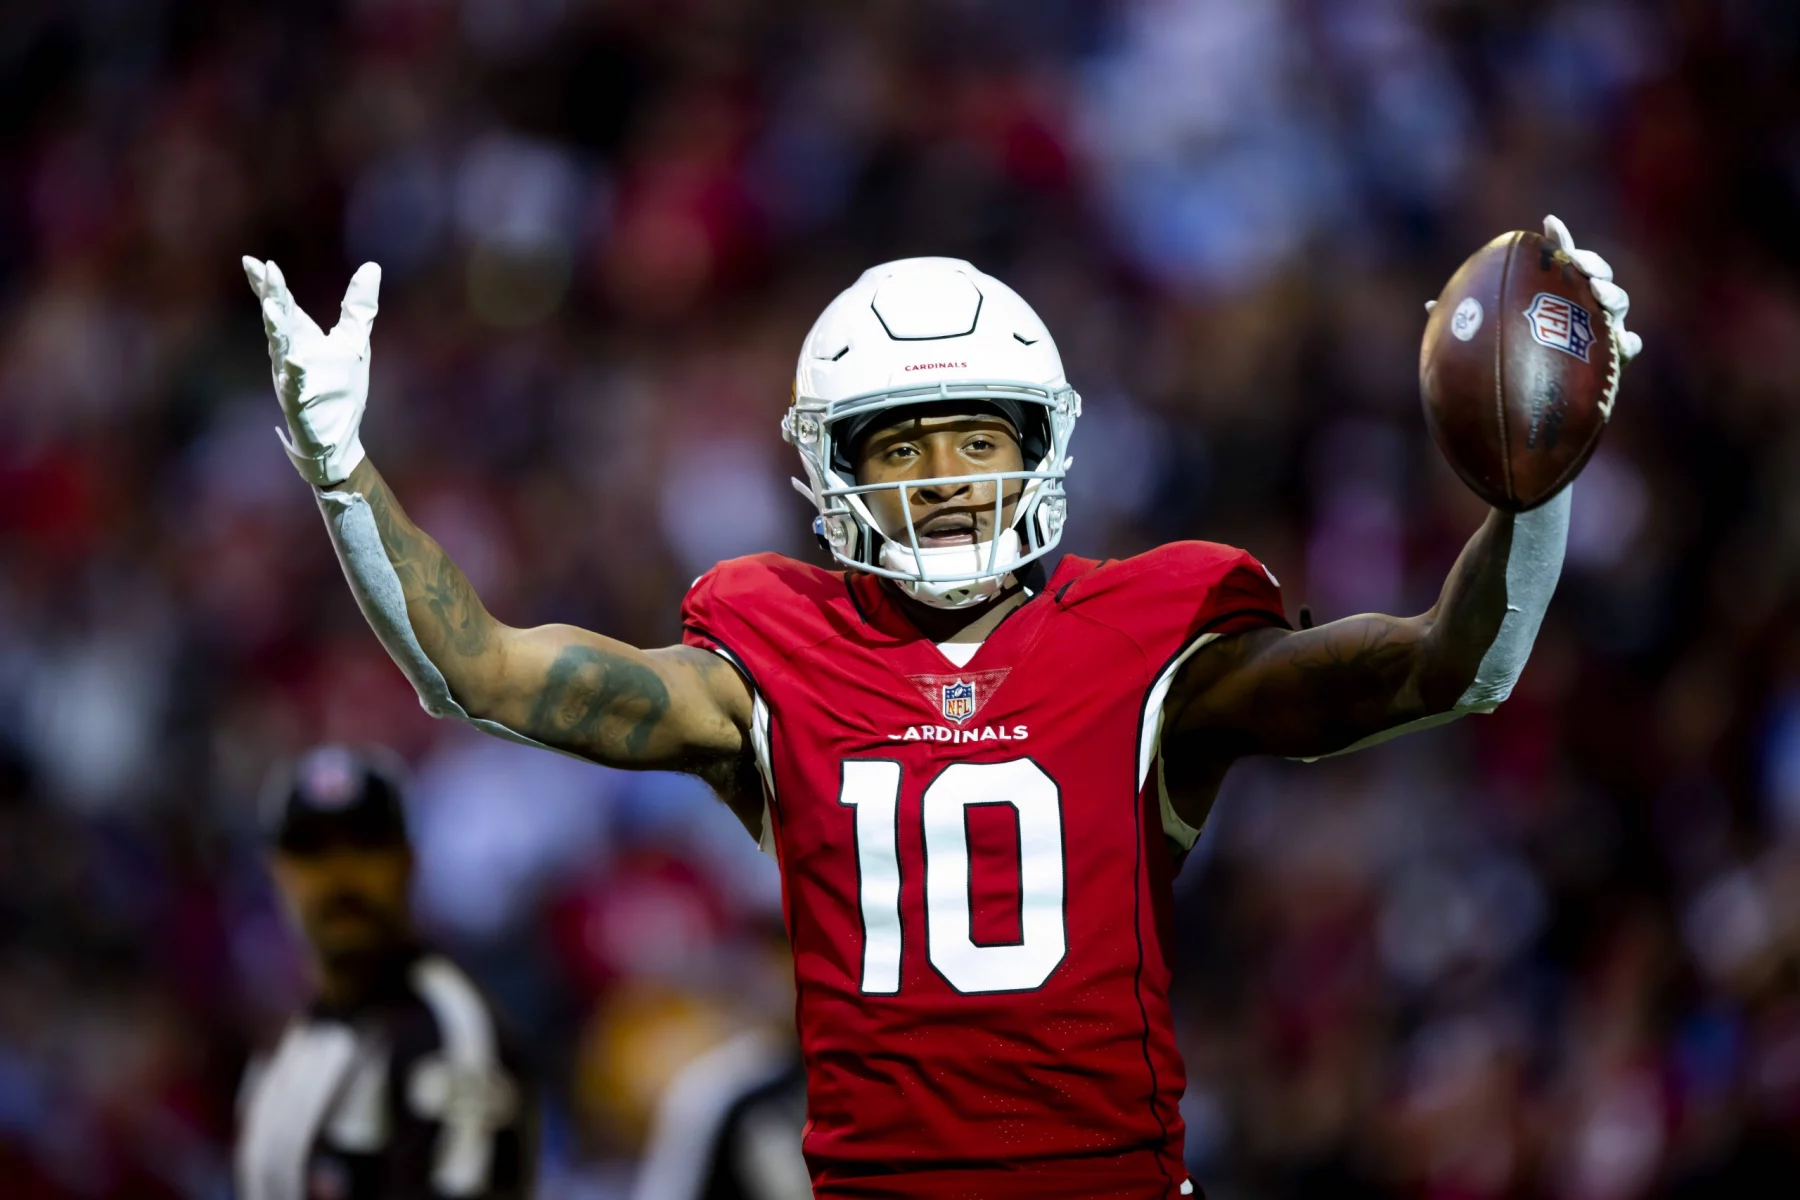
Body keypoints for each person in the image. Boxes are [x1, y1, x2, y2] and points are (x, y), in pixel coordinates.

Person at [241, 221, 1639, 1199]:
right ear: (831, 469)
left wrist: (1538, 486)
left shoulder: (1152, 640)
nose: (947, 478)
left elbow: (1455, 664)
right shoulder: (769, 654)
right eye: (902, 446)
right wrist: (343, 471)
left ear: (1042, 445)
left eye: (977, 437)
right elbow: (475, 672)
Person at [237, 745, 536, 1200]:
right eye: (312, 849)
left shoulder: (451, 1034)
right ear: (276, 871)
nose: (341, 875)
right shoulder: (294, 1044)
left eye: (366, 843)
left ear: (410, 861)